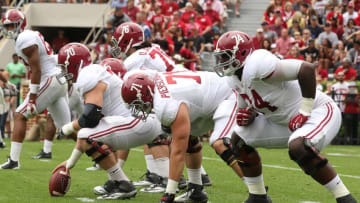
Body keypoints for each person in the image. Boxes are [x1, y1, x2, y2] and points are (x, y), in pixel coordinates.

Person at [213, 31, 357, 203]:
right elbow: (249, 103)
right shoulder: (234, 78)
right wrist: (248, 114)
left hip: (318, 111)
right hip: (284, 121)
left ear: (242, 53)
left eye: (225, 56)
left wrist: (305, 111)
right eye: (220, 57)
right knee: (237, 141)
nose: (222, 62)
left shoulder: (258, 64)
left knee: (299, 147)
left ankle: (345, 198)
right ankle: (258, 196)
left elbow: (306, 69)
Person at [55, 43, 165, 200]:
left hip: (137, 121)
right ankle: (116, 181)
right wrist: (69, 164)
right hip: (141, 120)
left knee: (88, 134)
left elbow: (90, 117)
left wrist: (68, 127)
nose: (63, 72)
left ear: (73, 64)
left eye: (64, 67)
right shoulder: (92, 72)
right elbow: (91, 127)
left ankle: (123, 184)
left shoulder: (88, 73)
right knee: (91, 134)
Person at [121, 70, 243, 203]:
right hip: (209, 98)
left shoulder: (166, 105)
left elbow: (178, 152)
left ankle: (258, 194)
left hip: (230, 94)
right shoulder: (157, 84)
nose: (139, 109)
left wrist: (169, 194)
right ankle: (196, 191)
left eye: (137, 104)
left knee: (221, 144)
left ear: (146, 94)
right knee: (190, 139)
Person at [0, 9, 71, 169]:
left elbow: (37, 70)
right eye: (7, 26)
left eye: (11, 25)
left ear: (20, 24)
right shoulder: (28, 36)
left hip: (50, 79)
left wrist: (32, 97)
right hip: (57, 79)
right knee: (68, 128)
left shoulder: (24, 39)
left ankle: (14, 161)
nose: (8, 29)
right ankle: (101, 153)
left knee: (20, 115)